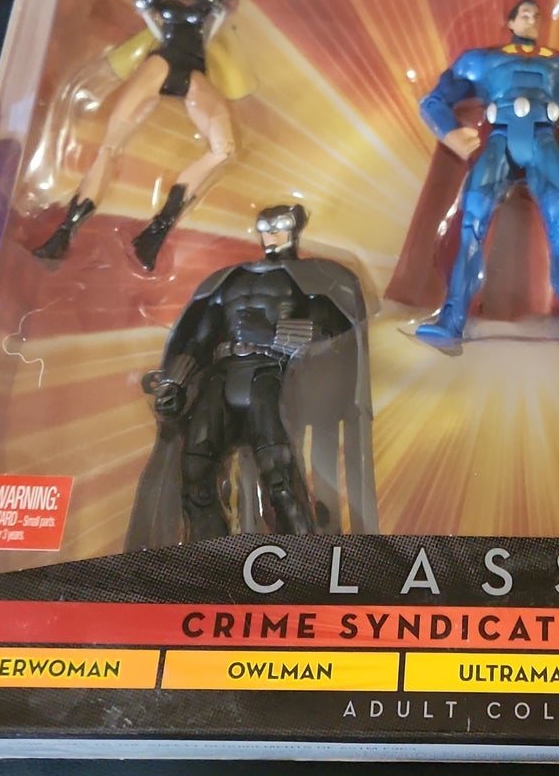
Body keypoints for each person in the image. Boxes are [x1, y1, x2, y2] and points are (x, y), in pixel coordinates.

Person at [125, 204, 377, 547]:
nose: (271, 233)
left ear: (295, 228)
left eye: (279, 225)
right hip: (221, 375)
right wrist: (175, 381)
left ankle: (304, 551)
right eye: (265, 226)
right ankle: (211, 553)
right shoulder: (228, 280)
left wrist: (273, 333)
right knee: (195, 470)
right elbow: (199, 339)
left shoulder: (314, 278)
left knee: (279, 474)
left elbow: (331, 331)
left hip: (269, 373)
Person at [414, 0, 559, 354]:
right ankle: (451, 318)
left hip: (545, 140)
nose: (532, 18)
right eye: (524, 13)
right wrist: (449, 132)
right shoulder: (481, 60)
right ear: (509, 22)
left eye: (536, 14)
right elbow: (434, 101)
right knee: (472, 220)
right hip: (500, 139)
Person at [33, 0, 248, 268]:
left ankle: (156, 231)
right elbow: (144, 1)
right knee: (109, 147)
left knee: (224, 149)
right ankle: (64, 233)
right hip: (161, 63)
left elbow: (214, 7)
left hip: (193, 72)